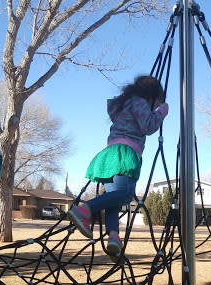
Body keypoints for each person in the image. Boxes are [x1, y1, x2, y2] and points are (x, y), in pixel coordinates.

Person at [68, 75, 169, 259]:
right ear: (150, 96)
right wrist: (162, 111)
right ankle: (84, 209)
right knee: (125, 195)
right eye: (156, 103)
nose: (154, 107)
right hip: (124, 154)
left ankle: (113, 237)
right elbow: (148, 126)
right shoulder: (139, 102)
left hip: (110, 156)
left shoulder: (125, 105)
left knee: (113, 201)